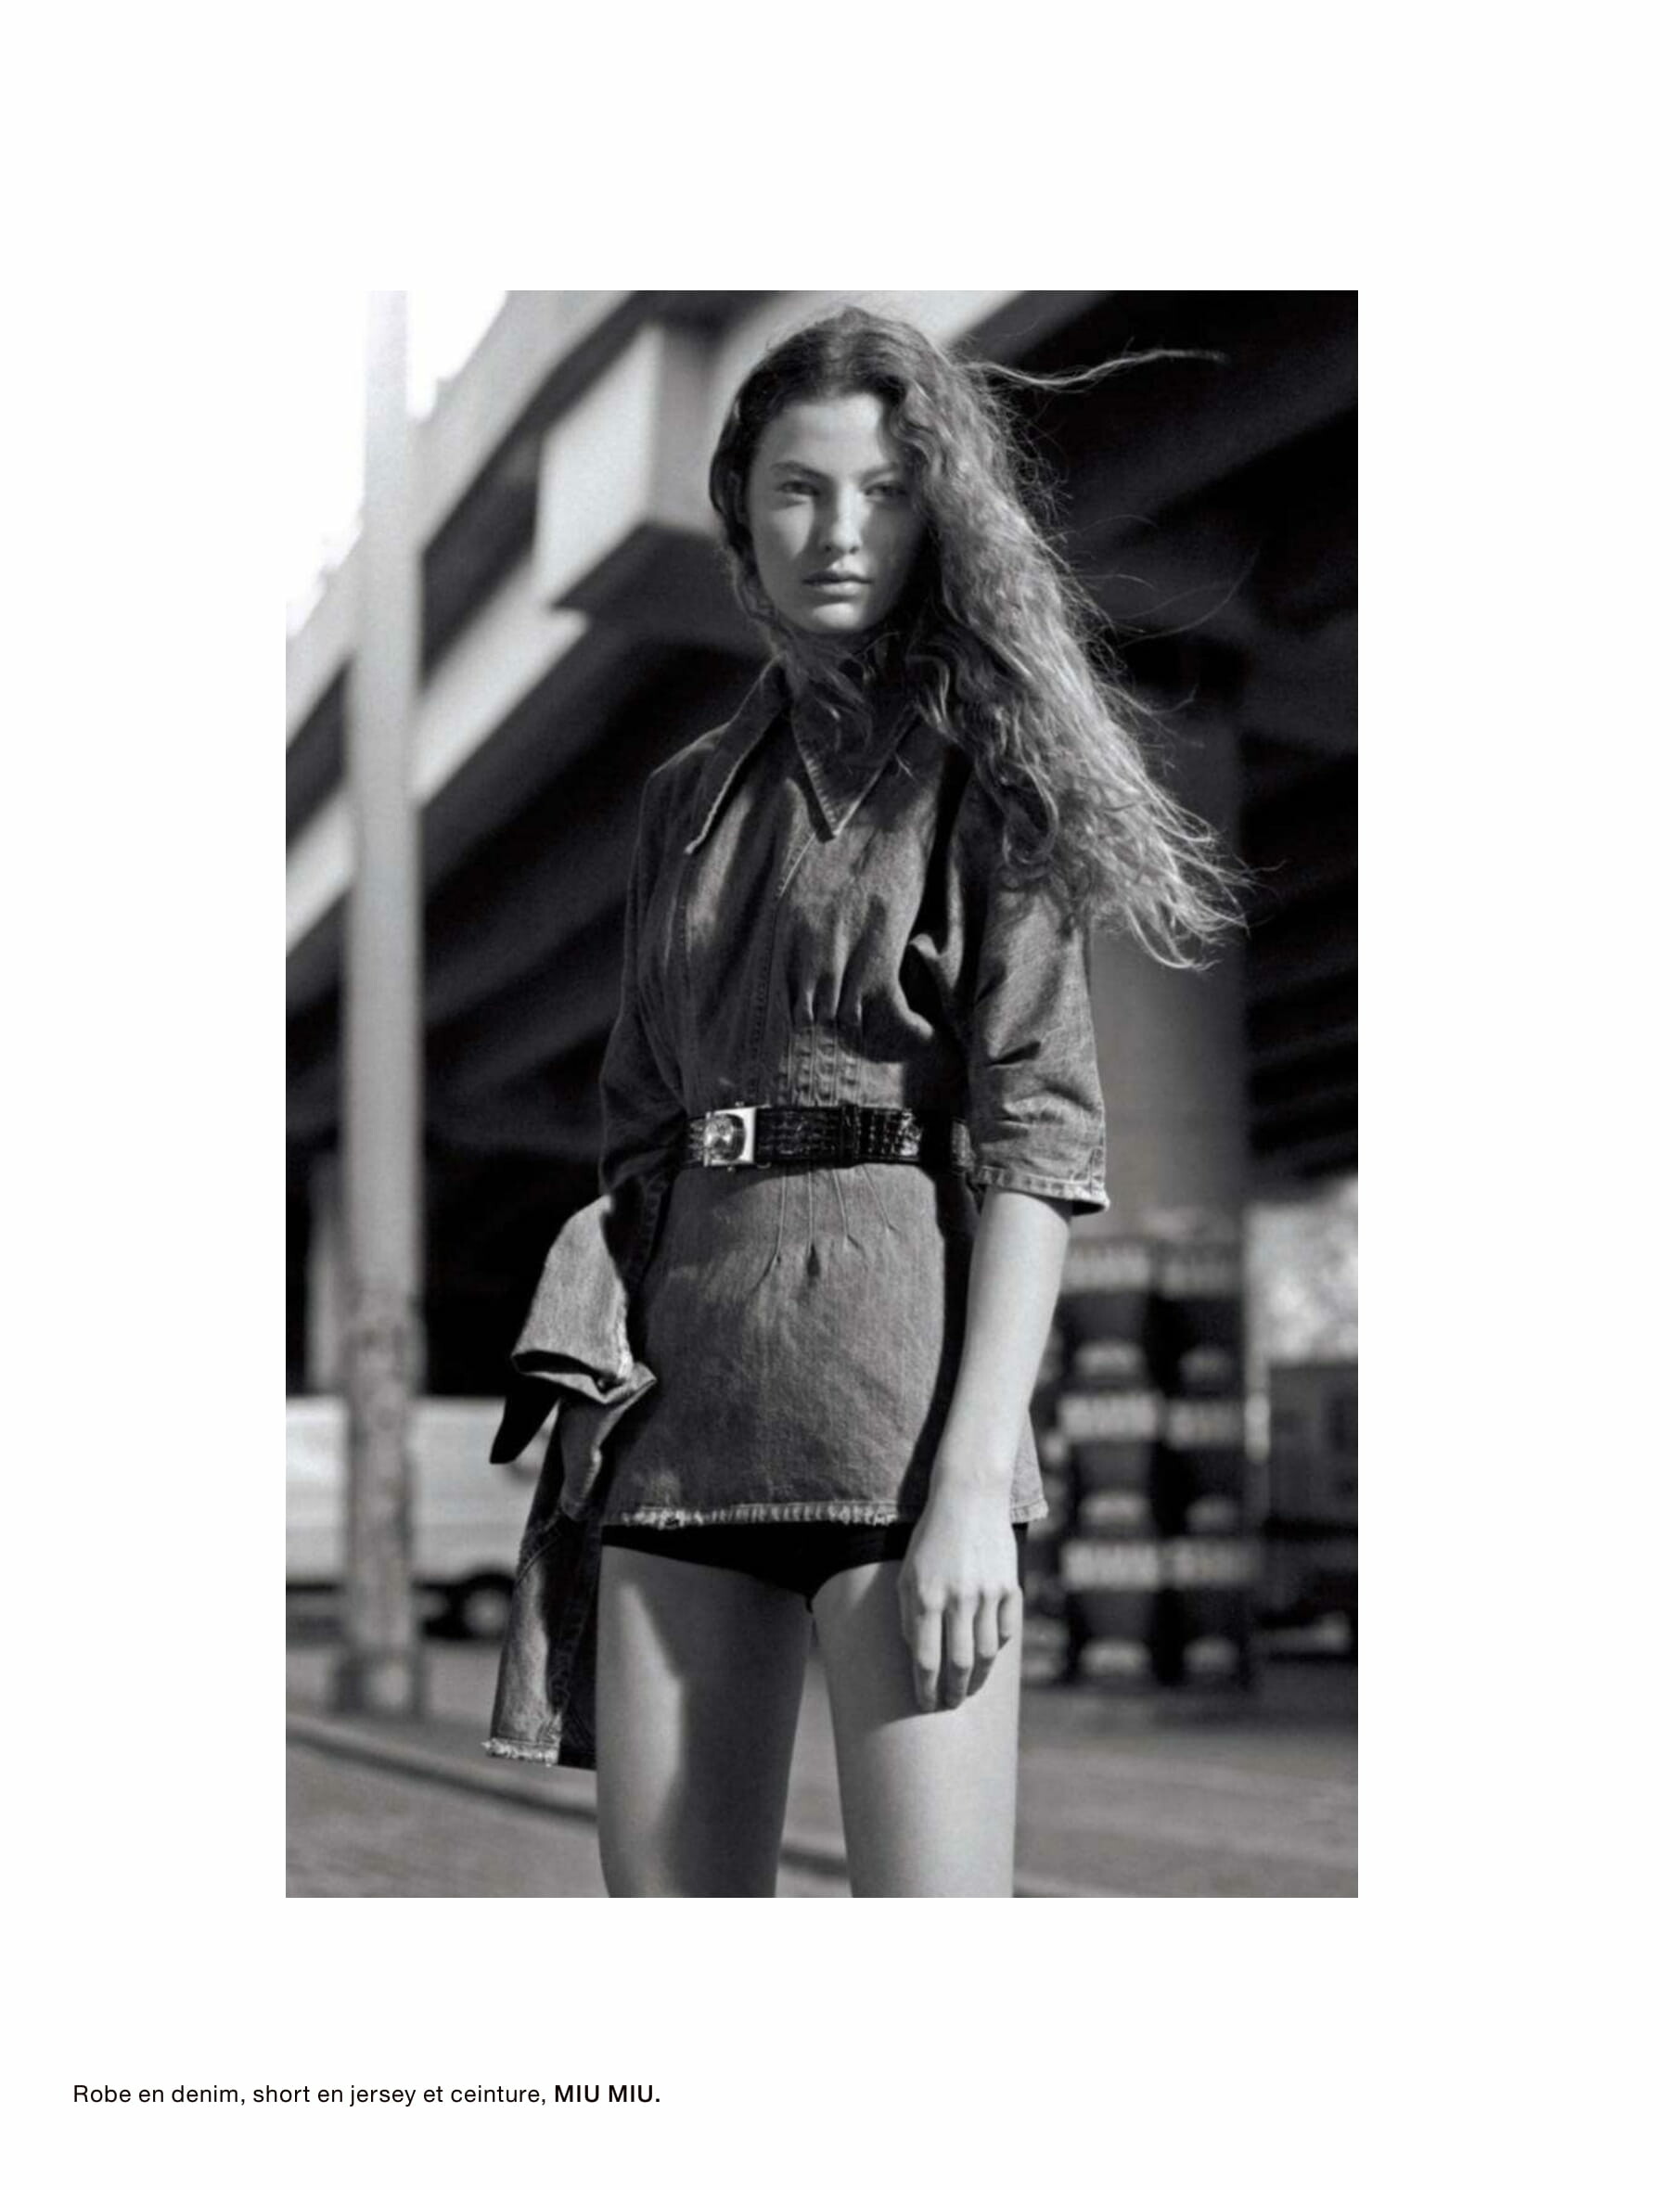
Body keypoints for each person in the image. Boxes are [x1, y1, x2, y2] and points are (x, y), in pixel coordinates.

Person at [484, 304, 1240, 1896]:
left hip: (900, 1423)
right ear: (738, 509)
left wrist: (972, 1482)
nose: (841, 531)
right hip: (678, 1418)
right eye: (800, 488)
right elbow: (638, 1120)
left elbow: (1039, 1144)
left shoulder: (991, 769)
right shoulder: (683, 802)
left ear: (933, 512)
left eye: (886, 492)